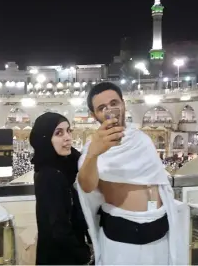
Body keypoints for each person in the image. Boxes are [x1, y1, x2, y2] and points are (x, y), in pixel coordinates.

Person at [76, 82, 188, 265]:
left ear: (123, 104)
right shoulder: (93, 148)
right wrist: (94, 153)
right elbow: (86, 186)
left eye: (114, 103)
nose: (110, 110)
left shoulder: (141, 139)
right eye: (102, 107)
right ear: (94, 115)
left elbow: (158, 180)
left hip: (159, 228)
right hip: (122, 235)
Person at [30, 112, 92, 265]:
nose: (67, 137)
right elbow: (59, 229)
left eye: (68, 130)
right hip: (61, 257)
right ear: (44, 139)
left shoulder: (64, 167)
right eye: (58, 133)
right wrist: (85, 254)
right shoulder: (49, 176)